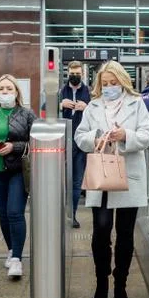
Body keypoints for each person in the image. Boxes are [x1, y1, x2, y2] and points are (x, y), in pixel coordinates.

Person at [75, 60, 149, 298]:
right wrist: (97, 136)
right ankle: (101, 282)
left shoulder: (137, 103)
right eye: (105, 83)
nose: (109, 87)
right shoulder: (93, 106)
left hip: (128, 175)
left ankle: (121, 283)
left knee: (125, 233)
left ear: (122, 81)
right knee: (101, 231)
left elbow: (147, 135)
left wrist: (125, 135)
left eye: (113, 82)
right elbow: (79, 136)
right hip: (102, 176)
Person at [0, 74, 36, 277]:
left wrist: (14, 146)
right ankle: (12, 250)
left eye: (9, 89)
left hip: (18, 170)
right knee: (2, 214)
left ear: (17, 93)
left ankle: (17, 259)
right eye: (1, 89)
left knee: (14, 212)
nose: (5, 92)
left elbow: (35, 142)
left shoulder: (27, 114)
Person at [60, 60, 91, 228]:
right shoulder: (60, 91)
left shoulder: (88, 92)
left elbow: (96, 112)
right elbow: (45, 110)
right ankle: (60, 213)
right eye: (72, 73)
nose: (75, 76)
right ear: (67, 73)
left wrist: (87, 106)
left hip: (80, 142)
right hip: (63, 141)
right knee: (61, 180)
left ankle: (72, 215)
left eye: (78, 74)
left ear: (82, 74)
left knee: (77, 181)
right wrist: (60, 104)